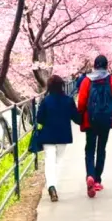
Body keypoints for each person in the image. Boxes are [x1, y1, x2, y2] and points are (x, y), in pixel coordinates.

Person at [77, 54, 112, 197]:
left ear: (95, 65)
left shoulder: (87, 80)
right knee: (101, 148)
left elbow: (81, 102)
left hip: (90, 120)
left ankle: (90, 174)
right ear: (106, 65)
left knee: (90, 148)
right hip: (105, 120)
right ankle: (97, 180)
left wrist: (82, 114)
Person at [36, 74, 81, 202]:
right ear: (62, 85)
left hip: (48, 135)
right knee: (58, 161)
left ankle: (51, 186)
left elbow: (39, 119)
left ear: (49, 86)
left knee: (49, 160)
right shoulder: (68, 100)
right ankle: (53, 184)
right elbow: (76, 118)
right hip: (63, 135)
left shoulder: (45, 101)